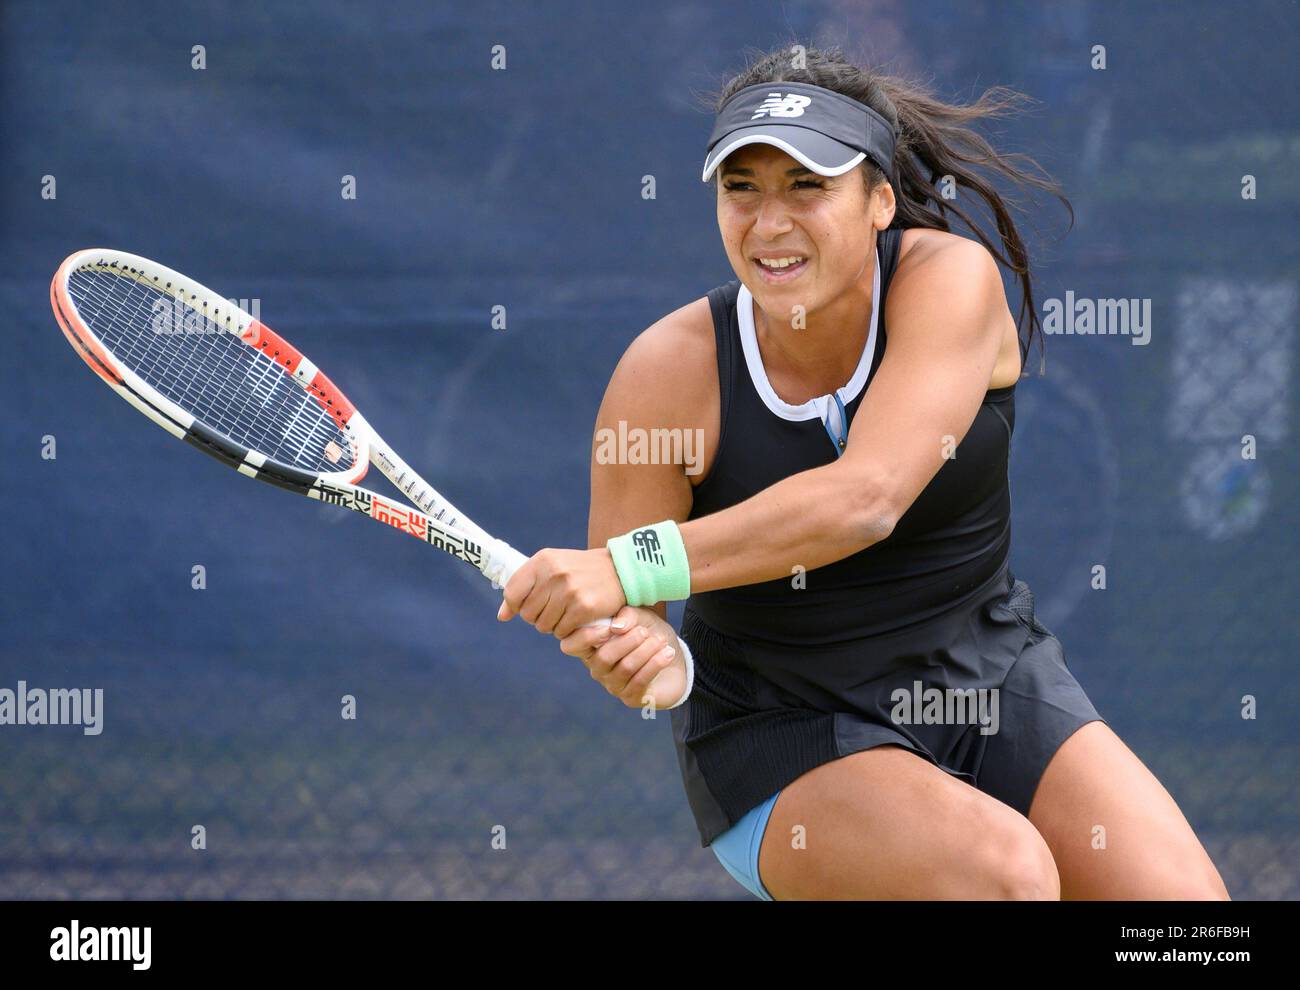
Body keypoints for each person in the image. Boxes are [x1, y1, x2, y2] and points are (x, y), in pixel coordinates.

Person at [497, 45, 1229, 901]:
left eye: (807, 185)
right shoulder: (665, 373)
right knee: (1006, 879)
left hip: (984, 678)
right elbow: (642, 634)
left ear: (880, 200)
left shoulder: (951, 283)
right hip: (784, 731)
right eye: (743, 188)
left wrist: (624, 567)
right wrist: (641, 655)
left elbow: (866, 500)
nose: (770, 223)